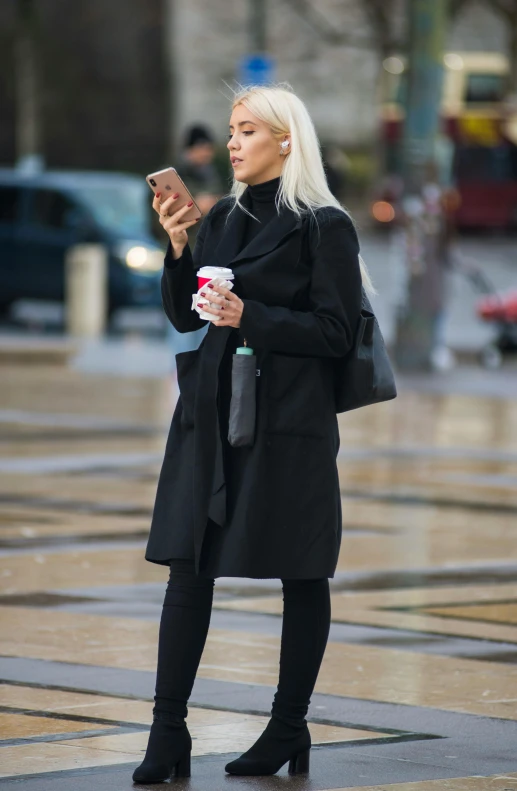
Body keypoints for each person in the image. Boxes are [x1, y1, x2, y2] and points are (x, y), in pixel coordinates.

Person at [133, 84, 374, 785]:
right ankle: (166, 730)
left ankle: (287, 724)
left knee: (300, 569)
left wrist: (250, 314)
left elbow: (335, 332)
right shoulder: (222, 218)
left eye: (247, 130)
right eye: (232, 130)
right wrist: (179, 249)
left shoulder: (323, 226)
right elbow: (187, 316)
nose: (233, 141)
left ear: (286, 140)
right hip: (210, 413)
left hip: (287, 421)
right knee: (189, 564)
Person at [166, 124, 226, 362]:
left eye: (208, 149)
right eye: (201, 148)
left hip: (208, 258)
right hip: (182, 252)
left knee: (204, 319)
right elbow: (173, 215)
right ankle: (179, 376)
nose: (205, 154)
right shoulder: (177, 177)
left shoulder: (212, 174)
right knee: (179, 319)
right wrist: (200, 206)